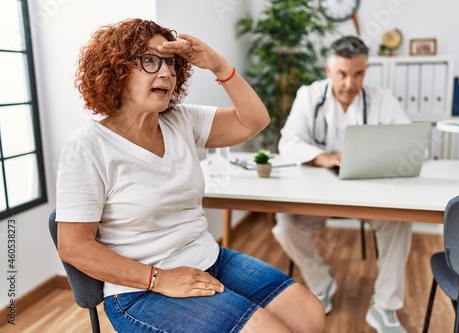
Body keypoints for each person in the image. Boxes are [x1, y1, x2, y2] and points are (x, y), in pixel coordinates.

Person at [56, 18, 325, 333]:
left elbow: (254, 120)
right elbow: (74, 247)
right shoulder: (86, 148)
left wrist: (218, 65)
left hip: (209, 259)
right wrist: (161, 278)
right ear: (118, 69)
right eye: (150, 60)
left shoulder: (180, 120)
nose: (167, 72)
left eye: (171, 62)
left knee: (310, 315)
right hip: (140, 291)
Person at [272, 36, 412, 333]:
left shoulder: (381, 98)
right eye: (342, 74)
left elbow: (407, 141)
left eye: (358, 74)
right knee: (285, 225)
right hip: (319, 195)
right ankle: (322, 282)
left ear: (366, 70)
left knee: (399, 222)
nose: (350, 83)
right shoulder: (309, 96)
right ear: (328, 69)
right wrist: (322, 157)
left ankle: (385, 306)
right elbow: (288, 141)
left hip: (371, 195)